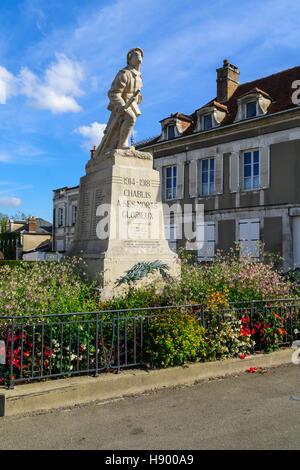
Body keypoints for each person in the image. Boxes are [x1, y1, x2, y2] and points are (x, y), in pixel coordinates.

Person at [98, 47, 143, 154]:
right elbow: (113, 93)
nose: (139, 57)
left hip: (132, 103)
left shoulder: (139, 76)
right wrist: (121, 105)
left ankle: (121, 144)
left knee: (122, 126)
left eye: (140, 55)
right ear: (130, 59)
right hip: (122, 104)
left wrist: (138, 98)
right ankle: (122, 145)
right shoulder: (124, 73)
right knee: (130, 118)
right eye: (136, 55)